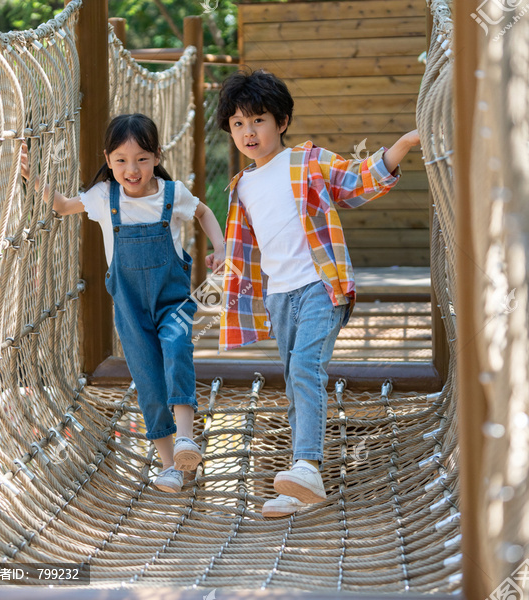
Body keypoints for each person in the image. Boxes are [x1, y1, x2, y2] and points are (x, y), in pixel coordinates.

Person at [215, 69, 420, 517]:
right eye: (237, 124)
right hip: (278, 297)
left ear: (282, 121)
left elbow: (357, 180)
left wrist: (400, 147)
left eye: (259, 121)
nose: (248, 132)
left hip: (320, 286)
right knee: (295, 383)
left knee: (306, 366)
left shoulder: (307, 162)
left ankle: (308, 465)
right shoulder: (241, 188)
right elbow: (244, 253)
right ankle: (299, 484)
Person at [21, 113, 226, 493]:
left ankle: (185, 437)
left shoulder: (172, 194)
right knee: (147, 378)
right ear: (108, 158)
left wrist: (221, 245)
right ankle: (172, 467)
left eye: (142, 159)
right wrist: (33, 179)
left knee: (177, 347)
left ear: (157, 157)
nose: (132, 169)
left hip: (172, 301)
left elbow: (203, 211)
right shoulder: (104, 198)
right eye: (121, 160)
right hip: (130, 310)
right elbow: (64, 206)